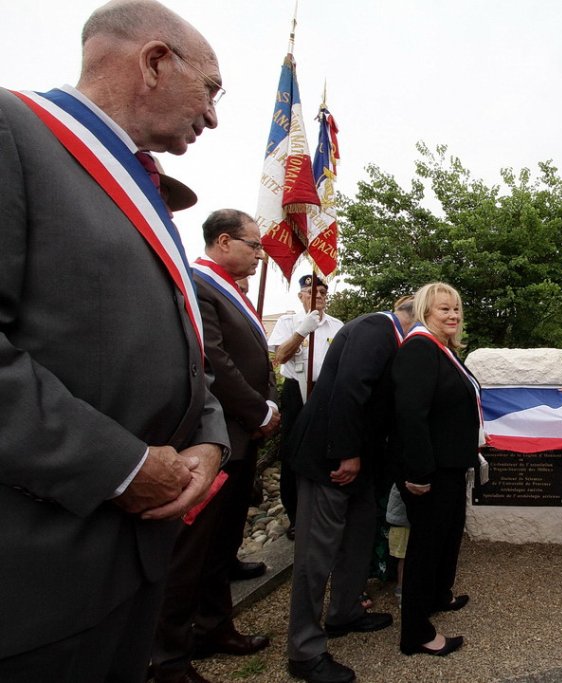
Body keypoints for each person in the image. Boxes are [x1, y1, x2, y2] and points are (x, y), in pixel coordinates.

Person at [0, 2, 229, 680]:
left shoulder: (141, 183)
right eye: (211, 89)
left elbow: (178, 340)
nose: (213, 116)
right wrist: (121, 465)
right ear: (156, 61)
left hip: (130, 566)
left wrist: (210, 437)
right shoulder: (13, 131)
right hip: (41, 582)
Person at [151, 209, 279, 683]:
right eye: (254, 245)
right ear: (224, 241)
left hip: (240, 436)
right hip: (214, 436)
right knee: (191, 552)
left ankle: (213, 627)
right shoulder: (200, 283)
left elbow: (249, 357)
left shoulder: (230, 289)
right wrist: (259, 409)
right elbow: (214, 360)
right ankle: (167, 657)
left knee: (220, 545)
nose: (259, 254)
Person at [284, 297, 415, 683]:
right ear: (415, 315)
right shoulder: (376, 329)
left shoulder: (393, 337)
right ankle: (304, 649)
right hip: (331, 459)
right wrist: (346, 452)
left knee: (358, 536)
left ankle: (344, 612)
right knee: (316, 551)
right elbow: (349, 389)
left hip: (362, 464)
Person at [391, 282, 480, 657]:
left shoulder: (442, 350)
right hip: (430, 470)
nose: (453, 316)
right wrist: (420, 473)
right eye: (444, 309)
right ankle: (416, 632)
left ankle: (437, 597)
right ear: (426, 311)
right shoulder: (419, 349)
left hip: (450, 465)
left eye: (456, 309)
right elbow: (411, 416)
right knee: (426, 547)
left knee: (446, 538)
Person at [268, 273, 345, 537]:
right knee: (293, 451)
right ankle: (296, 516)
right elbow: (280, 356)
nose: (320, 295)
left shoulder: (337, 326)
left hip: (326, 392)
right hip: (296, 392)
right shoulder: (288, 322)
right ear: (301, 295)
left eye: (323, 291)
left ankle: (323, 509)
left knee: (326, 449)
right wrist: (302, 331)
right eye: (313, 291)